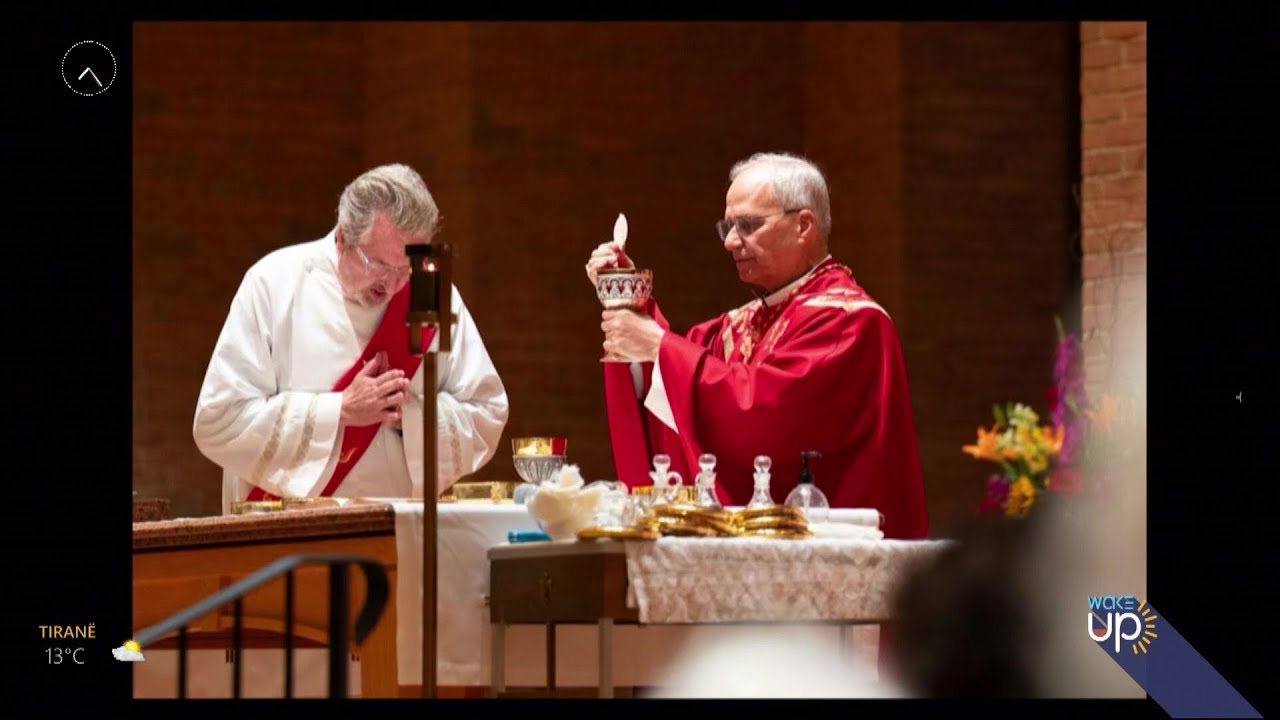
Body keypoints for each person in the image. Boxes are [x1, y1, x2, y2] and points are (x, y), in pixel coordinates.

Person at [586, 152, 927, 539]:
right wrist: (628, 303)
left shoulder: (850, 322)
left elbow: (766, 416)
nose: (731, 242)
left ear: (803, 226)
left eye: (748, 225)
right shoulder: (738, 325)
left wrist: (657, 344)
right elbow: (674, 378)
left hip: (826, 552)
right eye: (727, 227)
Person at [194, 163, 509, 513]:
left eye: (406, 269)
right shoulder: (274, 284)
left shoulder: (431, 297)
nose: (393, 286)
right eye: (380, 265)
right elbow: (219, 422)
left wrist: (409, 417)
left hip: (396, 527)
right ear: (343, 238)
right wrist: (339, 410)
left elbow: (486, 412)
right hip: (288, 529)